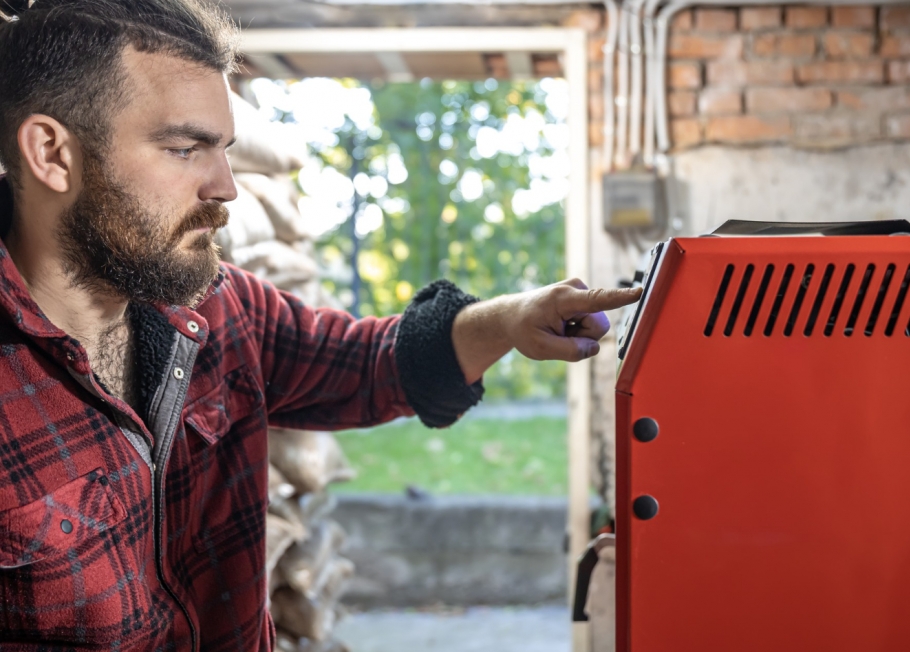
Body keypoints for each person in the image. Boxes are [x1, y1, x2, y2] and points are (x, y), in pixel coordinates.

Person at [0, 1, 642, 650]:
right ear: (53, 154)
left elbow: (370, 364)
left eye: (223, 152)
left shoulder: (219, 309)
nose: (225, 187)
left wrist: (510, 319)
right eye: (184, 148)